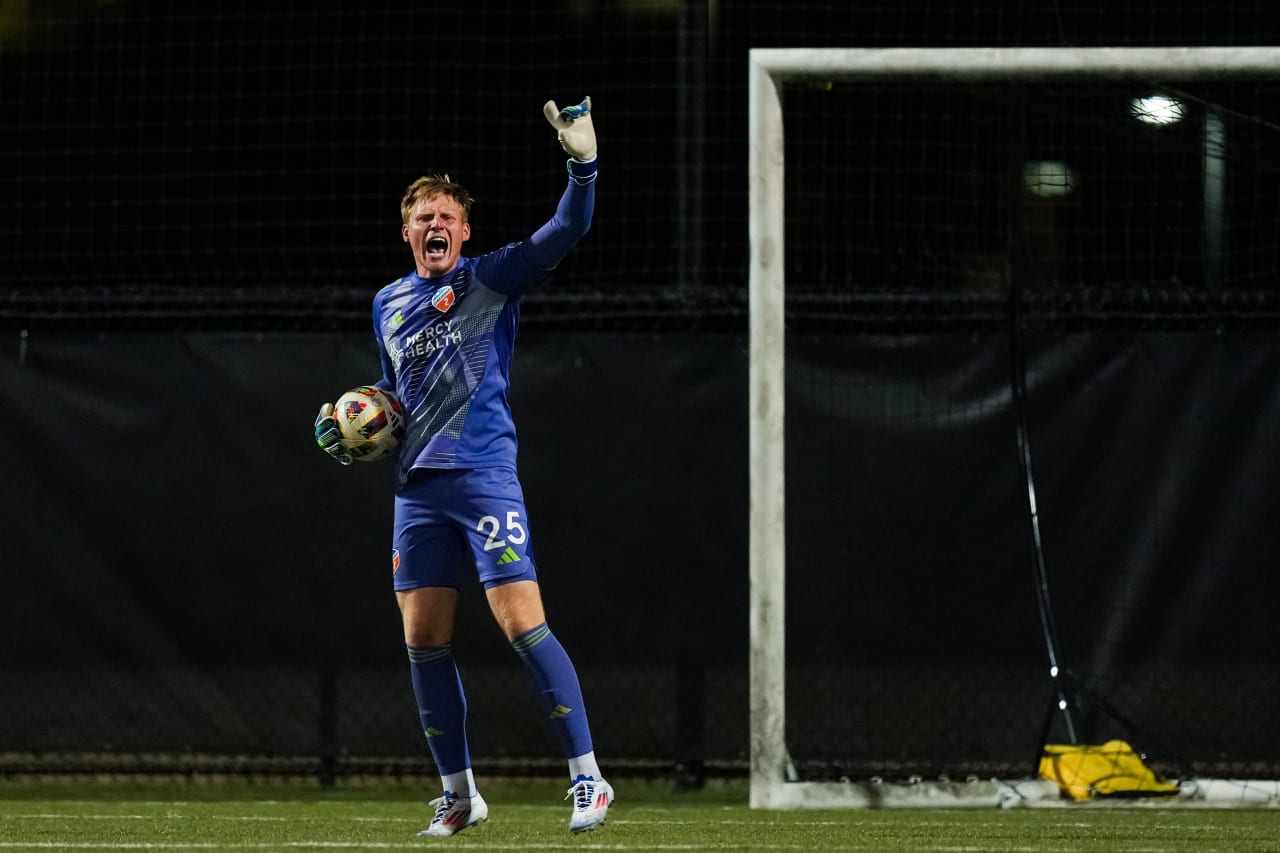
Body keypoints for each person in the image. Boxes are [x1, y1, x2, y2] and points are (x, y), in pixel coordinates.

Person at [313, 97, 611, 837]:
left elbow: (566, 230)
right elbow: (396, 391)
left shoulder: (492, 279)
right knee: (423, 637)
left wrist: (583, 165)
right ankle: (460, 795)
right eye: (424, 216)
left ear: (465, 229)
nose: (436, 224)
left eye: (448, 215)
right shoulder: (388, 303)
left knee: (520, 622)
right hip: (416, 489)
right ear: (407, 230)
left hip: (482, 476)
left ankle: (589, 778)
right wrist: (352, 420)